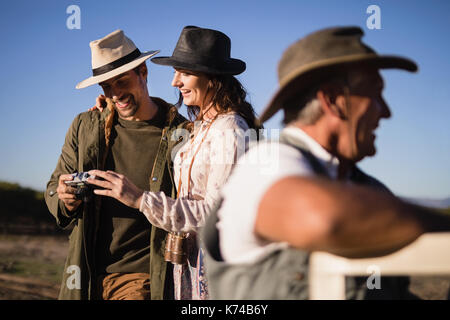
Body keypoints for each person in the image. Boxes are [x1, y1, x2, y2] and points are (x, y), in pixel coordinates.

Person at [201, 26, 450, 299]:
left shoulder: (371, 190)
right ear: (333, 101)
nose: (386, 111)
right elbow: (325, 220)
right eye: (375, 94)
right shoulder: (265, 164)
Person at [87, 26, 259, 300]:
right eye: (175, 72)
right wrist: (109, 104)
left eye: (185, 73)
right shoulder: (201, 127)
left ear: (212, 77)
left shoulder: (231, 130)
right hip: (188, 269)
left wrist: (141, 200)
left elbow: (218, 214)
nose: (174, 82)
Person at [45, 29, 187, 300]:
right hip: (84, 272)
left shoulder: (180, 134)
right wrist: (64, 199)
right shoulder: (85, 126)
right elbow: (54, 186)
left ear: (143, 72)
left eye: (121, 81)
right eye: (107, 86)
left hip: (141, 277)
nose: (115, 93)